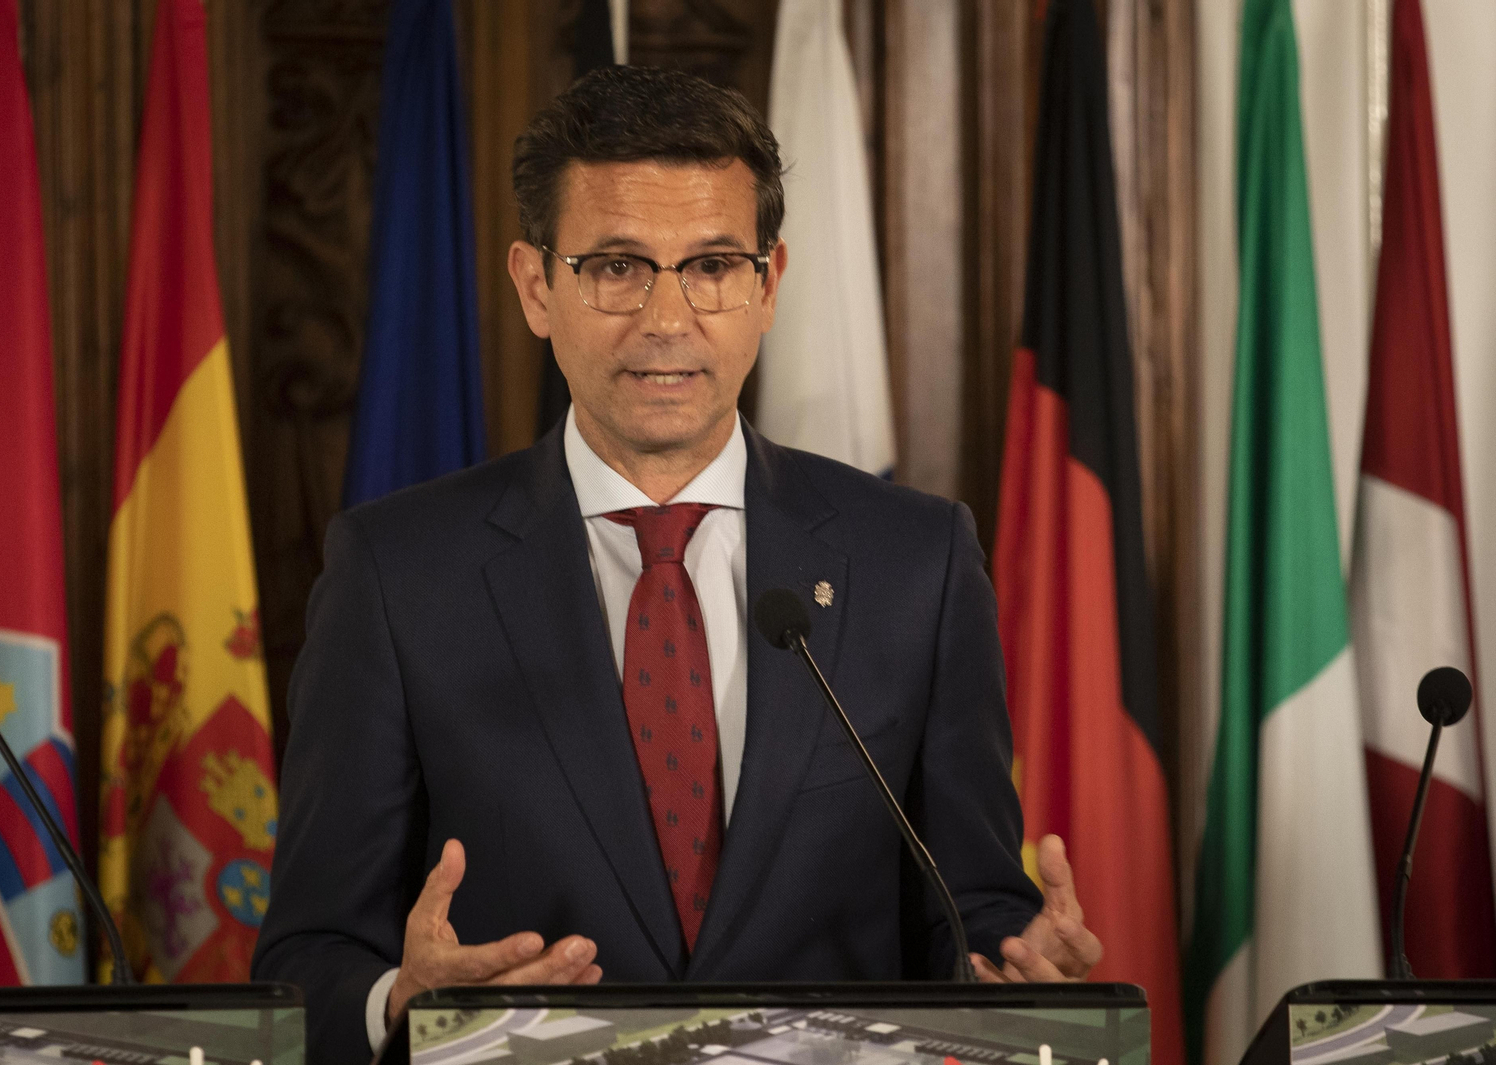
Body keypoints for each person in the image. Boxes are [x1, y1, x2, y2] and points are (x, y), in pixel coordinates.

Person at [252, 65, 1102, 1063]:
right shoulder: (397, 574)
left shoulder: (914, 561)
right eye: (615, 266)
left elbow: (970, 914)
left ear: (767, 284)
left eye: (710, 266)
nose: (666, 319)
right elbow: (306, 957)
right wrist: (402, 997)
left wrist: (1014, 962)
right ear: (536, 287)